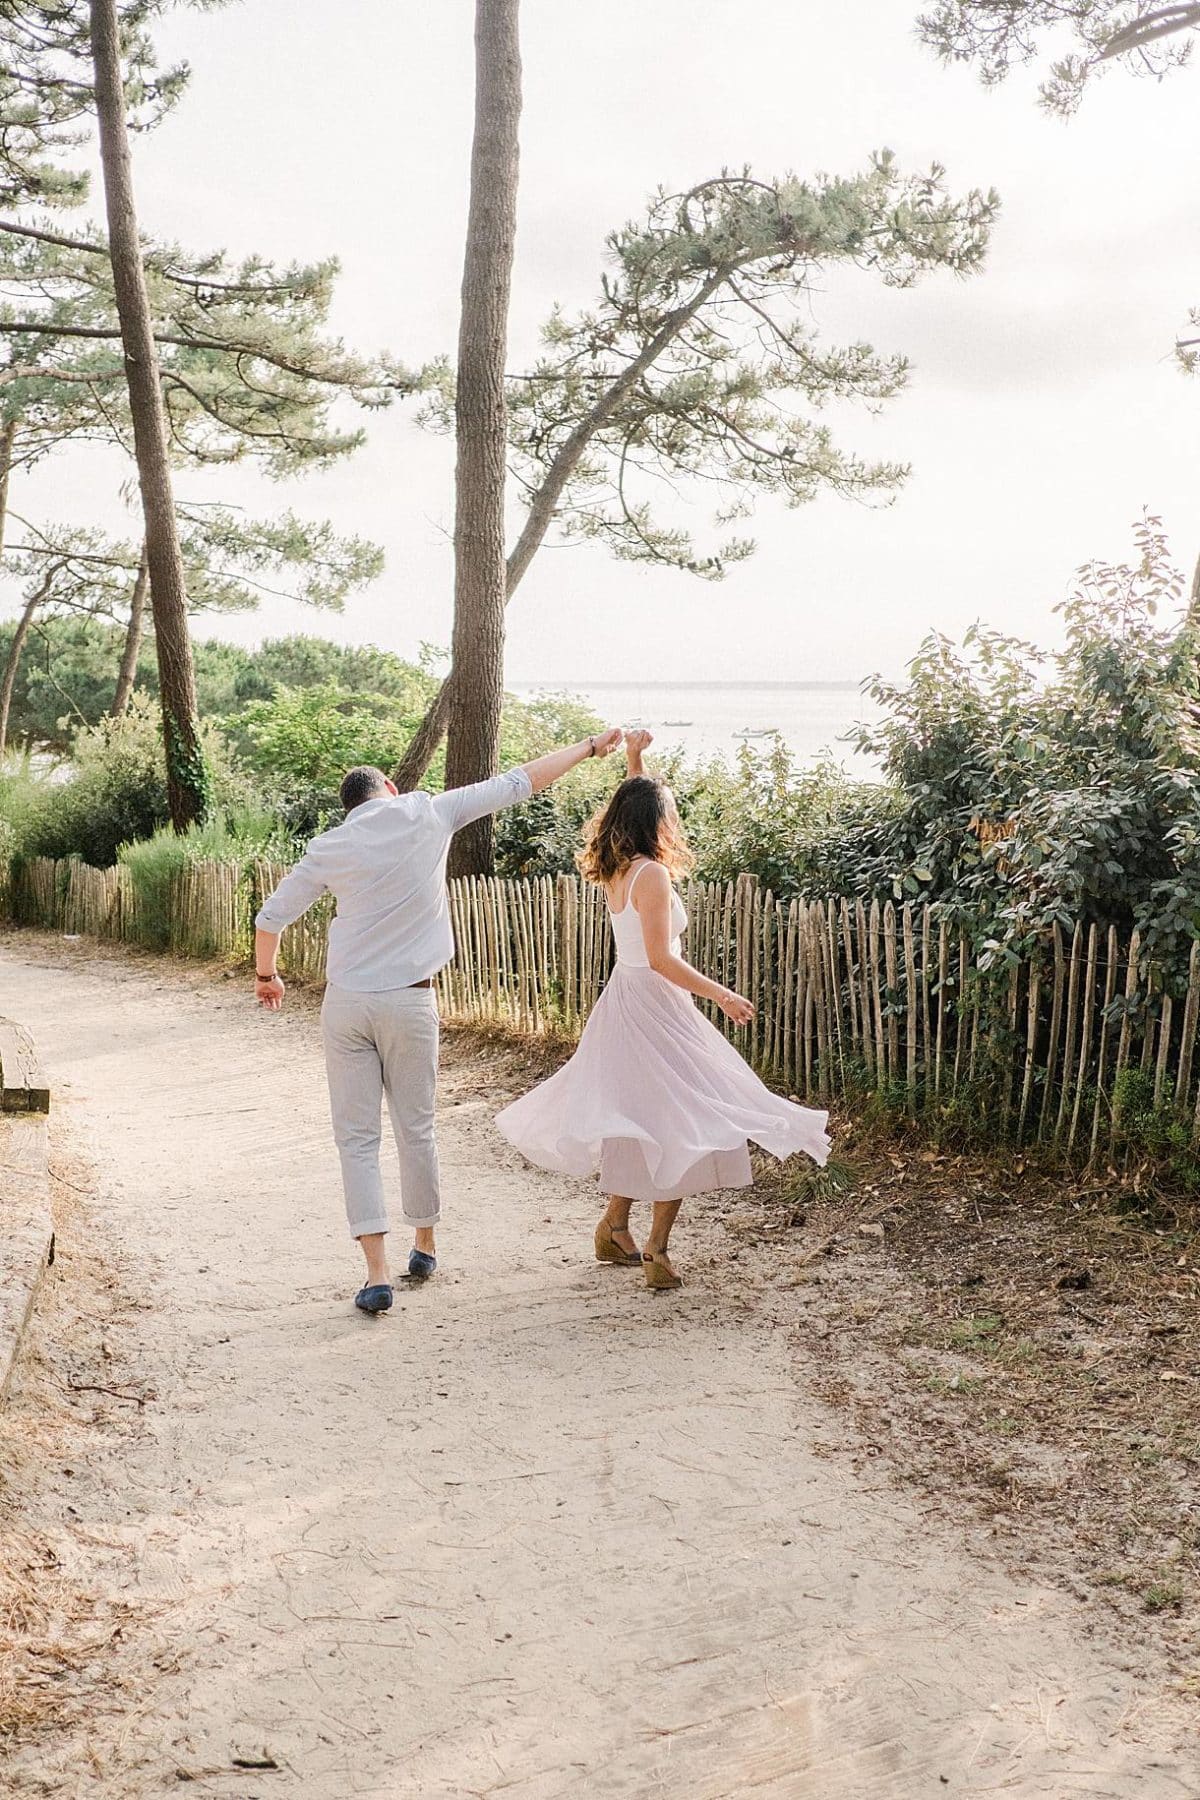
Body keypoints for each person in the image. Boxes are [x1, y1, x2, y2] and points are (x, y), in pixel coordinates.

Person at [254, 730, 622, 1314]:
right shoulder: (428, 812)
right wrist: (587, 748)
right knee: (416, 1127)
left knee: (356, 1139)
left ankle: (375, 1272)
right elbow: (518, 782)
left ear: (349, 808)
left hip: (347, 1002)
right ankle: (423, 1244)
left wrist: (267, 977)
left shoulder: (331, 846)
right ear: (392, 789)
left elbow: (270, 918)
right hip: (410, 1000)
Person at [496, 731, 830, 1290]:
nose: (675, 819)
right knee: (685, 1119)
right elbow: (660, 959)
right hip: (653, 1005)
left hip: (625, 1001)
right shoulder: (651, 874)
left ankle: (614, 1227)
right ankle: (655, 1250)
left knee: (643, 1119)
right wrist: (721, 993)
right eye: (669, 810)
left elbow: (636, 799)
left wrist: (634, 760)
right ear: (657, 821)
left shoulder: (619, 867)